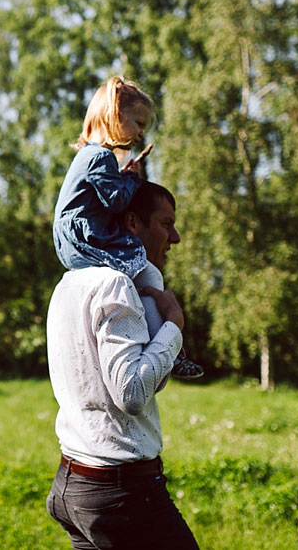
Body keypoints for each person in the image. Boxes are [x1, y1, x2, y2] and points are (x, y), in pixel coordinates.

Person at [46, 181, 200, 549]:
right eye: (166, 223)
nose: (175, 237)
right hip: (122, 494)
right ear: (132, 222)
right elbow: (131, 393)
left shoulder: (70, 283)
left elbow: (135, 385)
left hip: (75, 484)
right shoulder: (114, 285)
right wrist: (173, 327)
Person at [52, 76, 202, 378]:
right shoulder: (100, 156)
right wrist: (133, 176)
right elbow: (118, 202)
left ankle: (148, 339)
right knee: (145, 267)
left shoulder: (90, 156)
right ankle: (166, 349)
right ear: (115, 117)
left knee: (139, 271)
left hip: (75, 237)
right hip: (87, 237)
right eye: (137, 122)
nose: (140, 132)